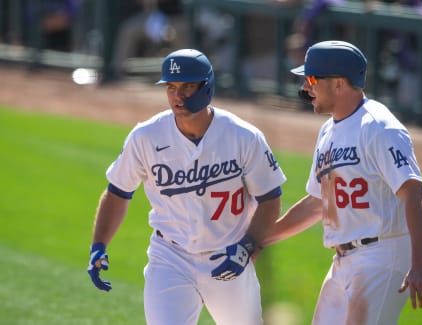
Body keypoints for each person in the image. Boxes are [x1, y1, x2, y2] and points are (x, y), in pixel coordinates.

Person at [86, 48, 287, 324]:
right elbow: (118, 192)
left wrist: (248, 246)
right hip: (170, 257)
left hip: (228, 255)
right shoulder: (146, 136)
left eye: (187, 86)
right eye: (171, 87)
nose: (177, 96)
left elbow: (270, 198)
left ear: (207, 87)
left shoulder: (244, 137)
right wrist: (99, 245)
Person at [262, 40, 422, 324]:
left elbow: (415, 194)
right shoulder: (329, 130)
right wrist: (263, 237)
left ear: (340, 83)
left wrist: (419, 265)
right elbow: (319, 203)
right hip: (343, 261)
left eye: (312, 79)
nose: (306, 88)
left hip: (381, 256)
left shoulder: (379, 127)